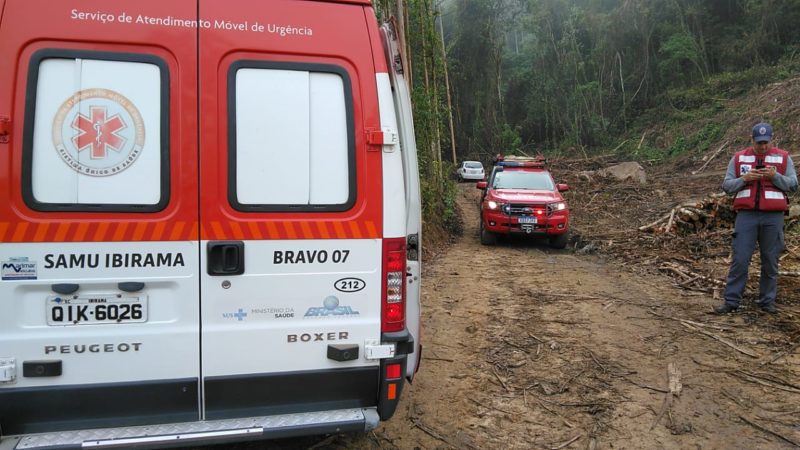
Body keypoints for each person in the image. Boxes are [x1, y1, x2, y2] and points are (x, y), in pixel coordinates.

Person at [715, 122, 798, 314]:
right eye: (759, 142)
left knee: (770, 260)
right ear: (751, 139)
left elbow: (793, 185)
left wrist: (775, 176)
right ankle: (731, 301)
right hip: (746, 216)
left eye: (766, 142)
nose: (763, 146)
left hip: (773, 217)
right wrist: (745, 179)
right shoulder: (739, 158)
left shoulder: (783, 158)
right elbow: (727, 186)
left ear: (772, 139)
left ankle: (766, 301)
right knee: (740, 259)